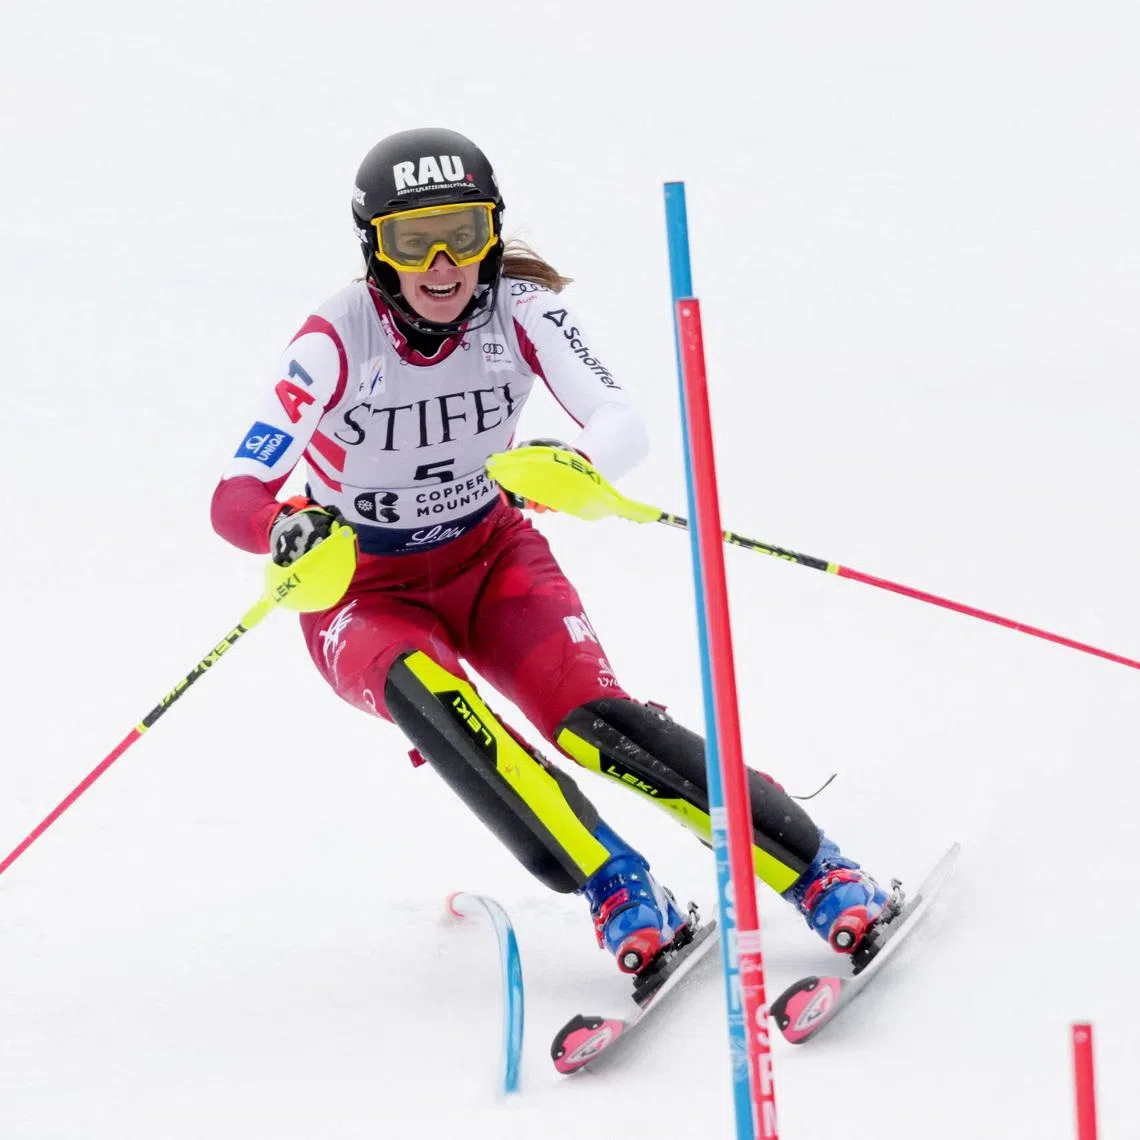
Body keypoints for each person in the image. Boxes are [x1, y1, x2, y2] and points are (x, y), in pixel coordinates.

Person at [211, 127, 894, 978]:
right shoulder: (335, 339)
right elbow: (234, 492)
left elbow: (621, 424)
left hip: (490, 557)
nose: (441, 266)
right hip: (362, 590)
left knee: (595, 725)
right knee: (444, 713)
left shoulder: (521, 312)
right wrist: (280, 527)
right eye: (410, 242)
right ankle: (617, 887)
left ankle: (822, 871)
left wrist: (575, 466)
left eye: (462, 234)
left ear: (492, 232)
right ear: (374, 250)